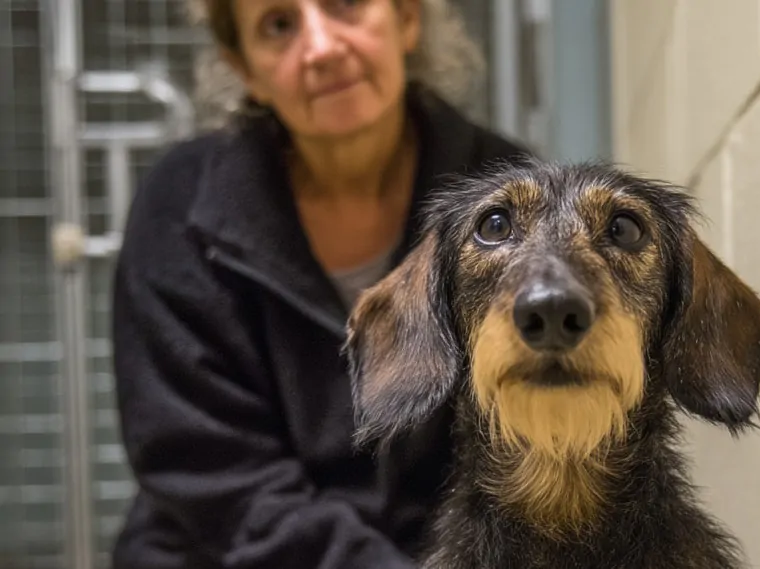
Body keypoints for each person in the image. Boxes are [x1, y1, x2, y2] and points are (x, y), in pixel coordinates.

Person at [109, 1, 529, 568]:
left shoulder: (508, 198)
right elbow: (209, 472)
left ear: (406, 19)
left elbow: (522, 453)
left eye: (345, 4)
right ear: (245, 70)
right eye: (279, 25)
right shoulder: (178, 205)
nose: (322, 48)